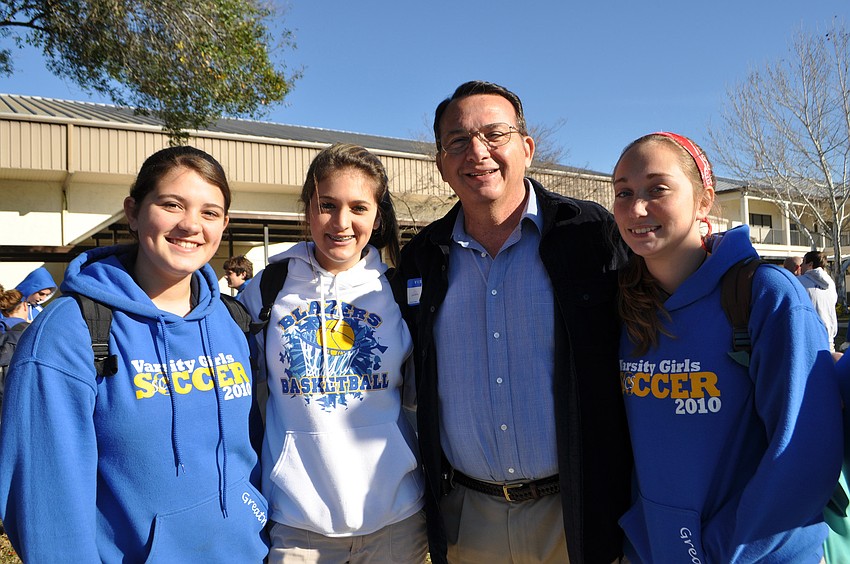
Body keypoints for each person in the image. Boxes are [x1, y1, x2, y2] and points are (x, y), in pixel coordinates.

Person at [391, 80, 631, 564]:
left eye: (494, 134)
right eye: (457, 141)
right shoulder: (422, 260)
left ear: (526, 147)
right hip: (468, 518)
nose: (477, 152)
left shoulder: (591, 235)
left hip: (578, 512)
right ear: (441, 164)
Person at [0, 146, 269, 562]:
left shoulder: (231, 322)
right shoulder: (69, 331)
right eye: (171, 204)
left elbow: (245, 448)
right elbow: (44, 507)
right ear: (133, 211)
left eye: (210, 212)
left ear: (224, 224)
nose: (190, 225)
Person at [612, 132, 841, 562]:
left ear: (704, 200)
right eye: (623, 192)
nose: (637, 207)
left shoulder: (765, 294)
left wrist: (718, 551)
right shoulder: (625, 306)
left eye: (657, 189)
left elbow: (804, 453)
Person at [240, 143, 426, 563]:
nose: (342, 223)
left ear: (377, 217)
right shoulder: (267, 289)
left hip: (396, 521)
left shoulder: (398, 290)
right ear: (308, 207)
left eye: (358, 207)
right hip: (296, 525)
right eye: (327, 205)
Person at [799, 250, 839, 352]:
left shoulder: (800, 282)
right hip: (829, 339)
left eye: (803, 262)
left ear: (810, 264)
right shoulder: (830, 283)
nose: (800, 266)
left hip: (810, 340)